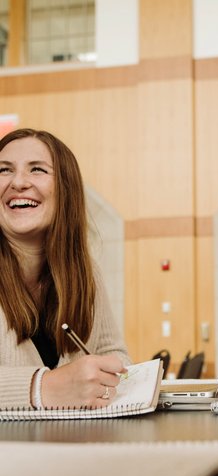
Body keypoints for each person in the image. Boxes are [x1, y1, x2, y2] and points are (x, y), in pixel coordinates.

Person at [0, 128, 131, 410]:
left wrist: (112, 379)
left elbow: (113, 352)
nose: (18, 182)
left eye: (37, 170)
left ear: (66, 190)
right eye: (3, 170)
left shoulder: (86, 273)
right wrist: (43, 389)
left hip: (73, 447)